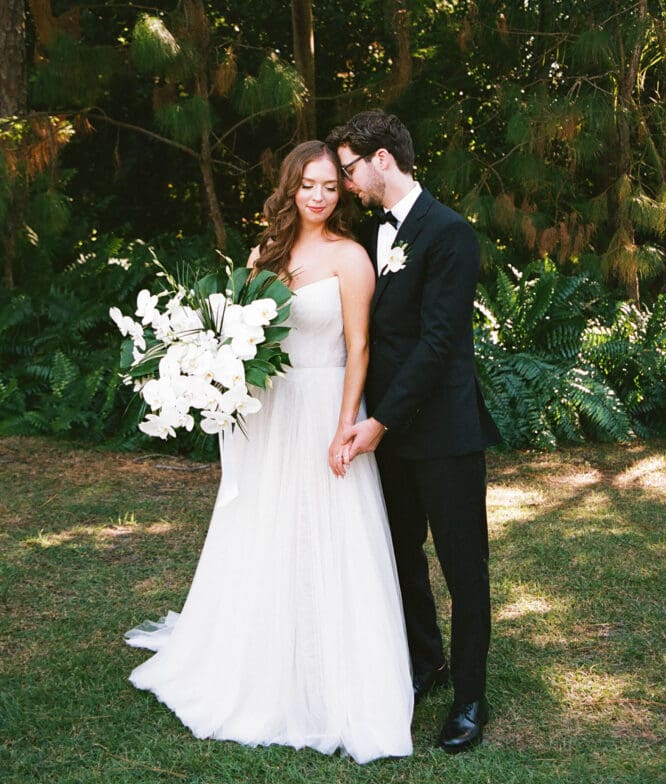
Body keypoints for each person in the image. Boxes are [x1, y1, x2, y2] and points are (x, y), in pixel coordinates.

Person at [124, 140, 414, 764]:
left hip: (324, 405)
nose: (318, 195)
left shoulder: (351, 257)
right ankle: (257, 658)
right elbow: (243, 335)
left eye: (330, 186)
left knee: (328, 534)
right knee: (264, 527)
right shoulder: (264, 255)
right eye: (307, 184)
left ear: (341, 193)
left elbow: (359, 347)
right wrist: (212, 374)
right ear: (291, 188)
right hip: (269, 412)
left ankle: (327, 674)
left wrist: (346, 425)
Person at [327, 111, 501, 754]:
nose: (345, 183)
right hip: (387, 434)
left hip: (444, 432)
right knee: (399, 553)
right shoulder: (371, 232)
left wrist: (379, 420)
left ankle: (471, 697)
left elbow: (436, 343)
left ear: (380, 159)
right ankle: (423, 661)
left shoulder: (451, 233)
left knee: (464, 567)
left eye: (348, 169)